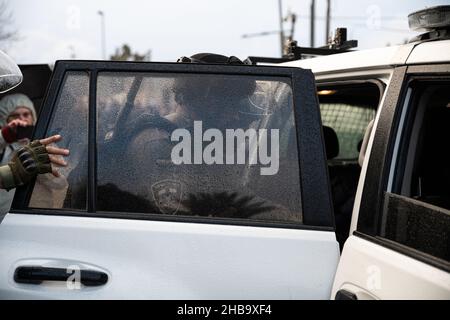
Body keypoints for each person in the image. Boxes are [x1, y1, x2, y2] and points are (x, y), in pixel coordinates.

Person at [0, 93, 69, 216]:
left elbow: (62, 184)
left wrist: (40, 171)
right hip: (4, 219)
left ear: (34, 116)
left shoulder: (46, 147)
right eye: (15, 116)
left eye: (26, 114)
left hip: (36, 218)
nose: (22, 119)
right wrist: (4, 136)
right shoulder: (3, 148)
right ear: (4, 119)